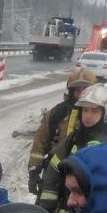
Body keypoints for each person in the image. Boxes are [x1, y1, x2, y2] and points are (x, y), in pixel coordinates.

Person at [36, 83, 107, 213]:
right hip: (67, 208)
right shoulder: (74, 139)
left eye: (94, 111)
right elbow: (53, 169)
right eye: (85, 110)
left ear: (106, 112)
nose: (88, 116)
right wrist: (46, 207)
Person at [27, 66, 97, 196]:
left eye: (86, 89)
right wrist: (34, 171)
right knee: (46, 212)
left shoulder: (101, 118)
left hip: (87, 178)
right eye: (77, 90)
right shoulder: (57, 114)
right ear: (71, 92)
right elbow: (40, 142)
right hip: (55, 175)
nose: (81, 94)